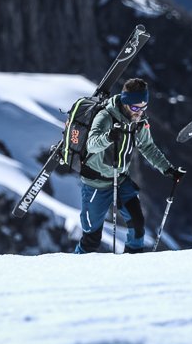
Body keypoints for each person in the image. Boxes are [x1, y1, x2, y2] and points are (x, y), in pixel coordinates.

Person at [74, 78, 185, 253]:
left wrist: (168, 169)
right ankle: (75, 265)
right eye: (135, 108)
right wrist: (108, 137)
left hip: (121, 179)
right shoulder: (105, 117)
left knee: (138, 226)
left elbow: (147, 147)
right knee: (91, 239)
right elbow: (92, 145)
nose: (139, 112)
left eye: (143, 107)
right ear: (126, 103)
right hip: (96, 183)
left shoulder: (139, 122)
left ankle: (132, 263)